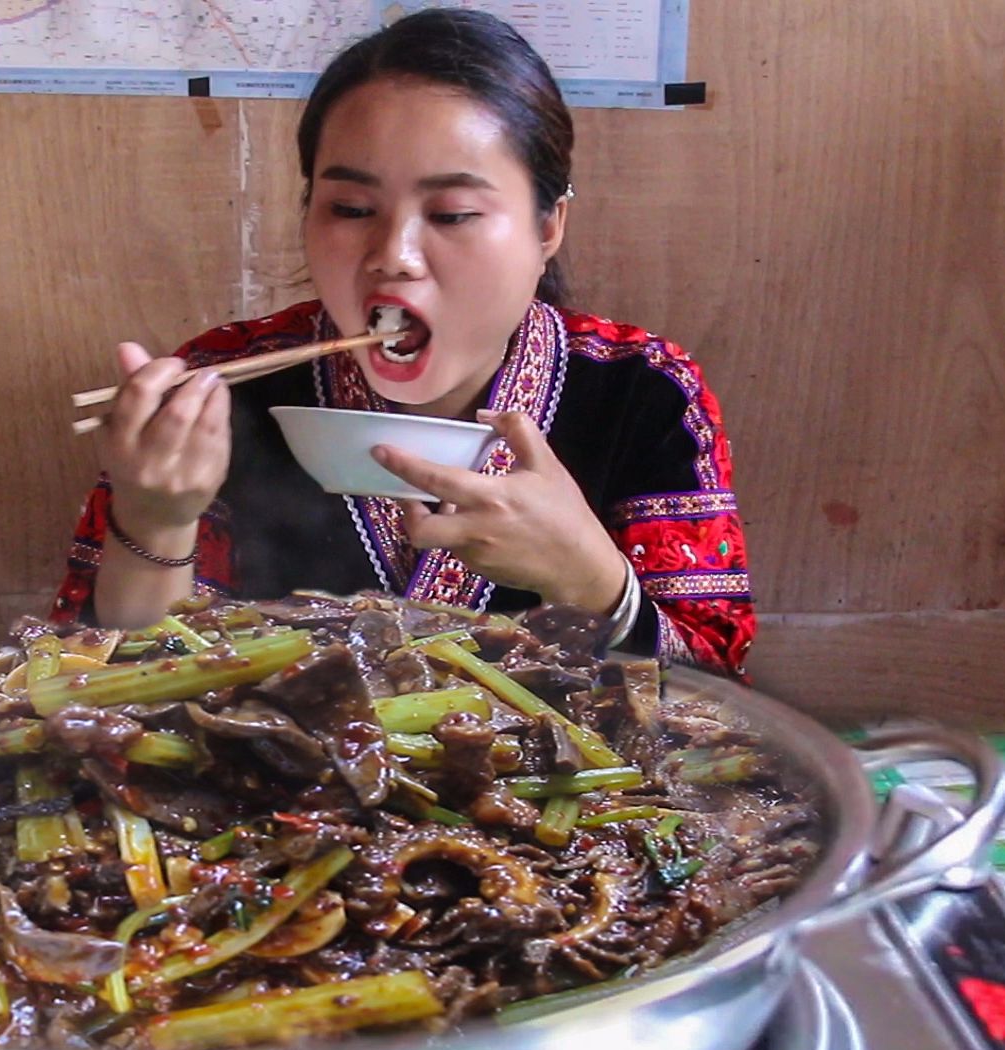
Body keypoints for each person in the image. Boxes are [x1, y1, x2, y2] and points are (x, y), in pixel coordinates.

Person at [52, 9, 755, 677]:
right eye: (352, 209)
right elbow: (90, 691)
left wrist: (590, 579)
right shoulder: (218, 391)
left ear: (547, 227)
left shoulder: (643, 390)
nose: (395, 254)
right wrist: (155, 520)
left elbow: (722, 700)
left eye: (452, 213)